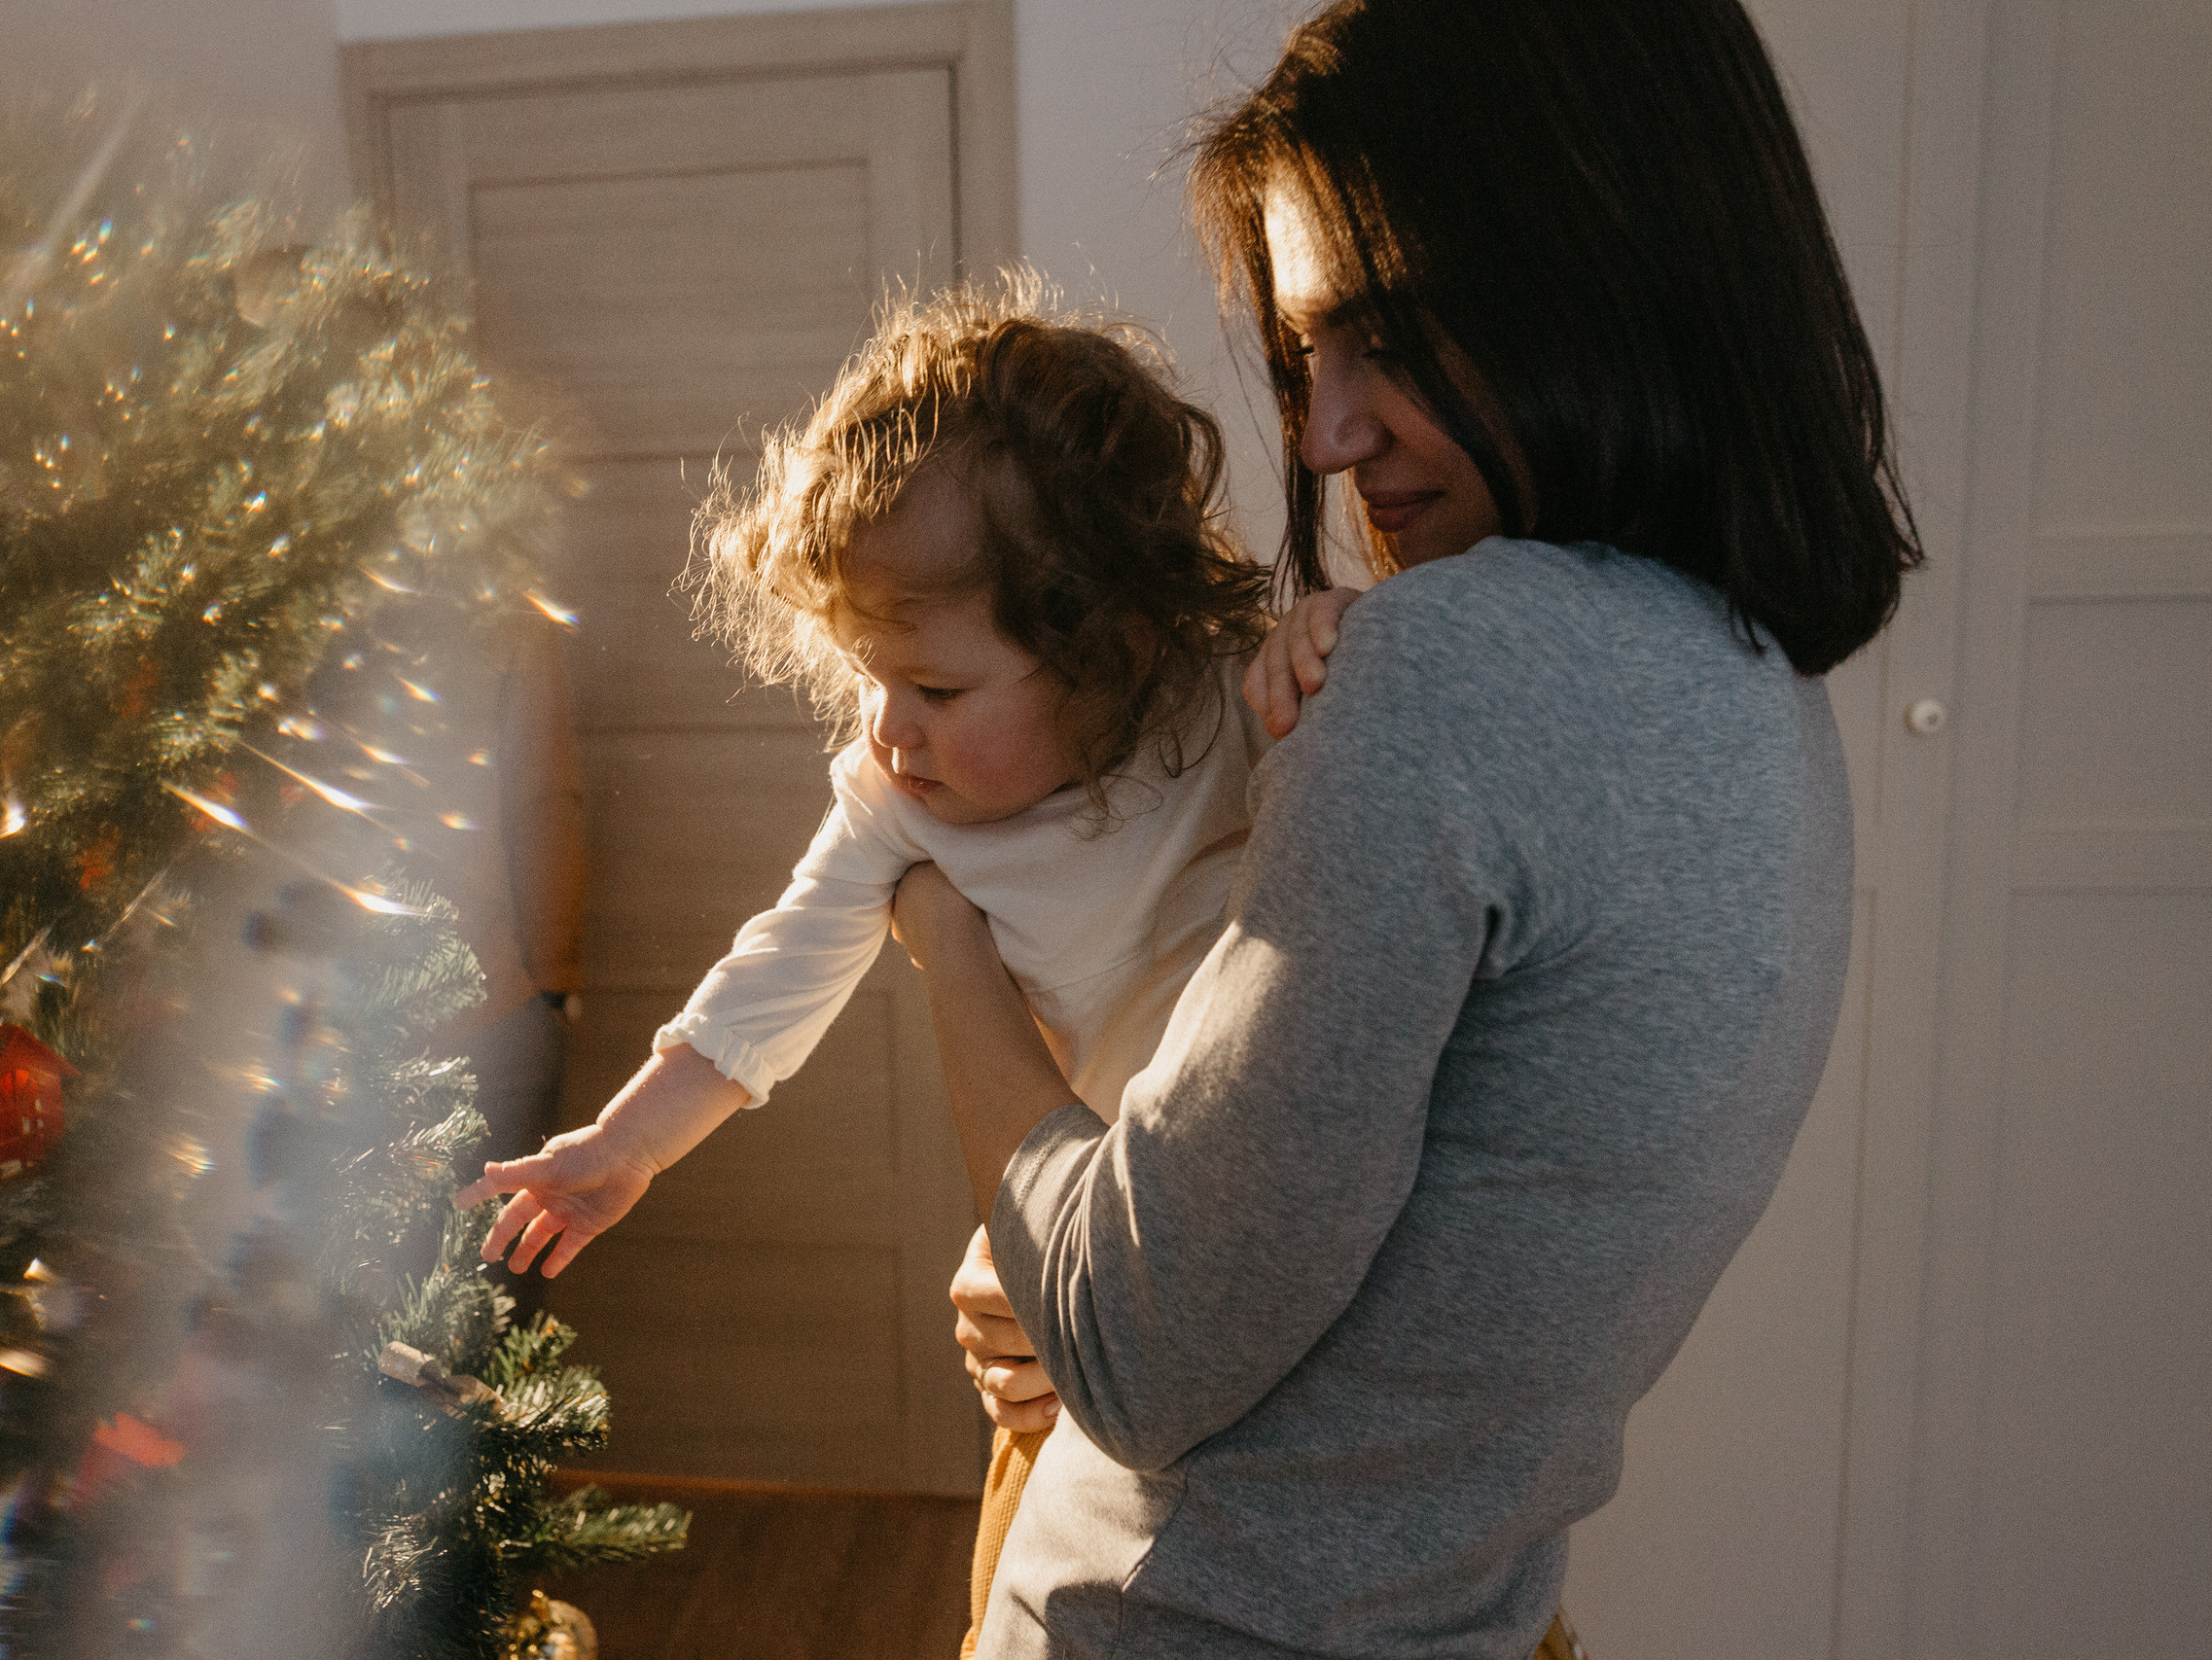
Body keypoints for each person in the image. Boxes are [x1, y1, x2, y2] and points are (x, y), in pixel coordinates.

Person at [897, 2, 1924, 1655]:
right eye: (1309, 353)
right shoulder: (1757, 692)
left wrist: (938, 928)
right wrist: (1077, 1213)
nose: (1325, 434)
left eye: (1388, 334)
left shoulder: (1450, 668)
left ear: (1605, 269)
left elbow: (1130, 1349)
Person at [451, 285, 1275, 1640]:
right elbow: (780, 967)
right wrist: (625, 1145)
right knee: (1019, 1580)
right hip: (1078, 1242)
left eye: (935, 689)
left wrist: (1330, 652)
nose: (887, 729)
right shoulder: (902, 805)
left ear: (1113, 640)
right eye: (864, 676)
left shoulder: (1232, 701)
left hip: (1229, 1226)